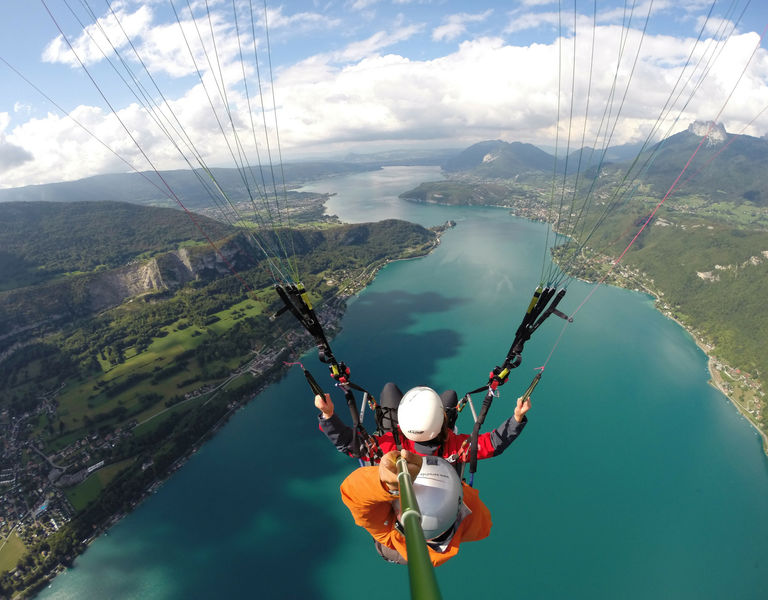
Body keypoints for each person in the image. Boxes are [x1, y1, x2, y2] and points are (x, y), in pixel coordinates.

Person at [340, 449, 492, 566]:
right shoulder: (471, 511)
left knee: (384, 548)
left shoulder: (388, 532)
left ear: (400, 519)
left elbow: (353, 494)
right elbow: (484, 526)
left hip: (395, 550)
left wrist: (387, 485)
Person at [315, 382, 530, 464]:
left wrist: (328, 415)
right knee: (450, 396)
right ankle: (444, 410)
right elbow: (494, 443)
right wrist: (517, 418)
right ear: (443, 422)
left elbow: (347, 443)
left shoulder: (387, 447)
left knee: (389, 389)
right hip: (436, 447)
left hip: (398, 445)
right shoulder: (454, 448)